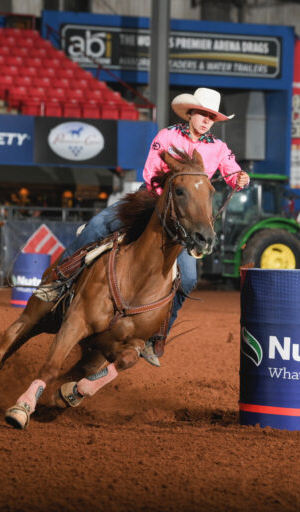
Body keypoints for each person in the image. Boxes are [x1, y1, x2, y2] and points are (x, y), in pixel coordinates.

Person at [61, 87, 250, 366]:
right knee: (97, 225)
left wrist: (240, 179)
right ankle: (59, 282)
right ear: (191, 113)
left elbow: (233, 173)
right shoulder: (167, 136)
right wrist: (163, 205)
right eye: (203, 114)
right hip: (152, 200)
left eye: (212, 116)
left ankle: (155, 336)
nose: (207, 120)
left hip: (185, 218)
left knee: (187, 279)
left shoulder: (219, 149)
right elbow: (151, 174)